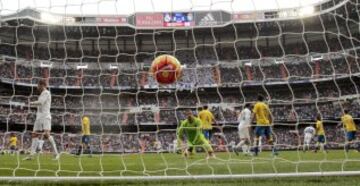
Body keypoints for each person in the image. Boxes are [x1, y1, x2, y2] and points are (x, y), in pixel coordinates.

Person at [24, 80, 59, 160]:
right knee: (34, 134)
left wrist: (31, 103)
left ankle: (56, 154)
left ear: (42, 85)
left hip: (45, 116)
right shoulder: (41, 94)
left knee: (47, 134)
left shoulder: (46, 92)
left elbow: (41, 102)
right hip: (39, 117)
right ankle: (31, 155)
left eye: (38, 85)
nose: (37, 87)